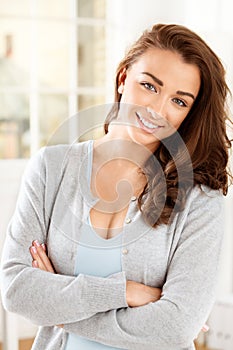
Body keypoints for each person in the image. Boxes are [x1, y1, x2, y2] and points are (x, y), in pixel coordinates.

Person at [0, 23, 232, 350]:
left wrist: (60, 309)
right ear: (123, 79)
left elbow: (177, 326)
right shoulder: (51, 168)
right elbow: (16, 290)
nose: (157, 110)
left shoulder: (199, 198)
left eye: (179, 102)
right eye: (149, 86)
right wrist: (123, 293)